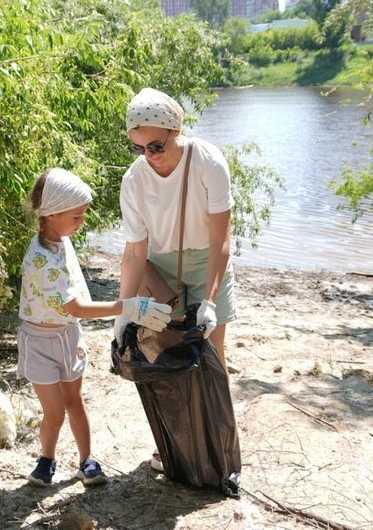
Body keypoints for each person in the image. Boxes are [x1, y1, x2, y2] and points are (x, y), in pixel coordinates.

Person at [18, 168, 172, 487]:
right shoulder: (41, 260)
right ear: (53, 213)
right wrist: (127, 306)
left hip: (67, 336)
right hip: (40, 342)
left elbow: (72, 304)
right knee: (55, 411)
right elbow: (75, 308)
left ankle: (86, 460)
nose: (81, 221)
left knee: (75, 401)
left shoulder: (61, 240)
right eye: (76, 216)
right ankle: (46, 460)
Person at [114, 87, 237, 471]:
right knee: (165, 354)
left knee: (211, 357)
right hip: (159, 265)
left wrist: (211, 302)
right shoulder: (134, 181)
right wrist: (122, 311)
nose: (149, 157)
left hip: (206, 260)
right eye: (139, 148)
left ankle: (216, 445)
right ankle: (175, 446)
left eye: (156, 146)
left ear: (176, 132)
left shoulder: (208, 162)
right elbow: (135, 253)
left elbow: (221, 241)